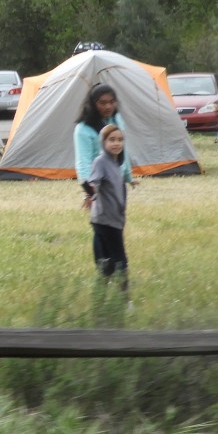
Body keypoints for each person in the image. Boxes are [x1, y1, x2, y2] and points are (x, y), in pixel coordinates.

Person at [82, 123, 129, 291]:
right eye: (112, 140)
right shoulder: (101, 161)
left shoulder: (116, 163)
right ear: (103, 142)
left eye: (120, 140)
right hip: (105, 220)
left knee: (106, 264)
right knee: (120, 261)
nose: (116, 143)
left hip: (114, 219)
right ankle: (124, 299)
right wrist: (89, 193)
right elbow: (94, 182)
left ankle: (101, 300)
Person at [74, 84, 133, 209]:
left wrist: (128, 177)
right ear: (93, 104)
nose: (108, 106)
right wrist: (89, 193)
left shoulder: (117, 120)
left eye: (112, 102)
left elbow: (123, 152)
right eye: (103, 103)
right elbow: (83, 163)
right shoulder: (83, 129)